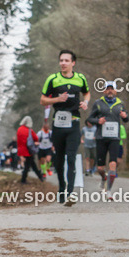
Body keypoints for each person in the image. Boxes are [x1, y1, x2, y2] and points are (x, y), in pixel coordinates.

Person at [40, 50, 89, 205]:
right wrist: (57, 99)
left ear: (73, 63)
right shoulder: (52, 79)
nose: (63, 63)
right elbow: (42, 100)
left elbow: (86, 93)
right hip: (59, 124)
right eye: (61, 60)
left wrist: (85, 102)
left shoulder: (80, 78)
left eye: (67, 60)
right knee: (59, 160)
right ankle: (62, 188)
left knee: (72, 157)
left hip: (74, 122)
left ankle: (70, 193)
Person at [86, 80, 128, 193]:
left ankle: (108, 190)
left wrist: (125, 116)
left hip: (115, 138)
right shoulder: (98, 103)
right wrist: (98, 121)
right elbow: (89, 119)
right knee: (100, 168)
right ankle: (104, 177)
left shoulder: (120, 103)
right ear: (104, 90)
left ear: (115, 91)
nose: (110, 91)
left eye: (112, 89)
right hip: (101, 138)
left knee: (113, 163)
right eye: (107, 88)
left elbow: (126, 118)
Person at [17, 116, 42, 183]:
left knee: (31, 164)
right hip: (28, 150)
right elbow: (36, 138)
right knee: (28, 166)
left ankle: (40, 177)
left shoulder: (19, 130)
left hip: (21, 150)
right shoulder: (29, 131)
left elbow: (18, 142)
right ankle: (23, 180)